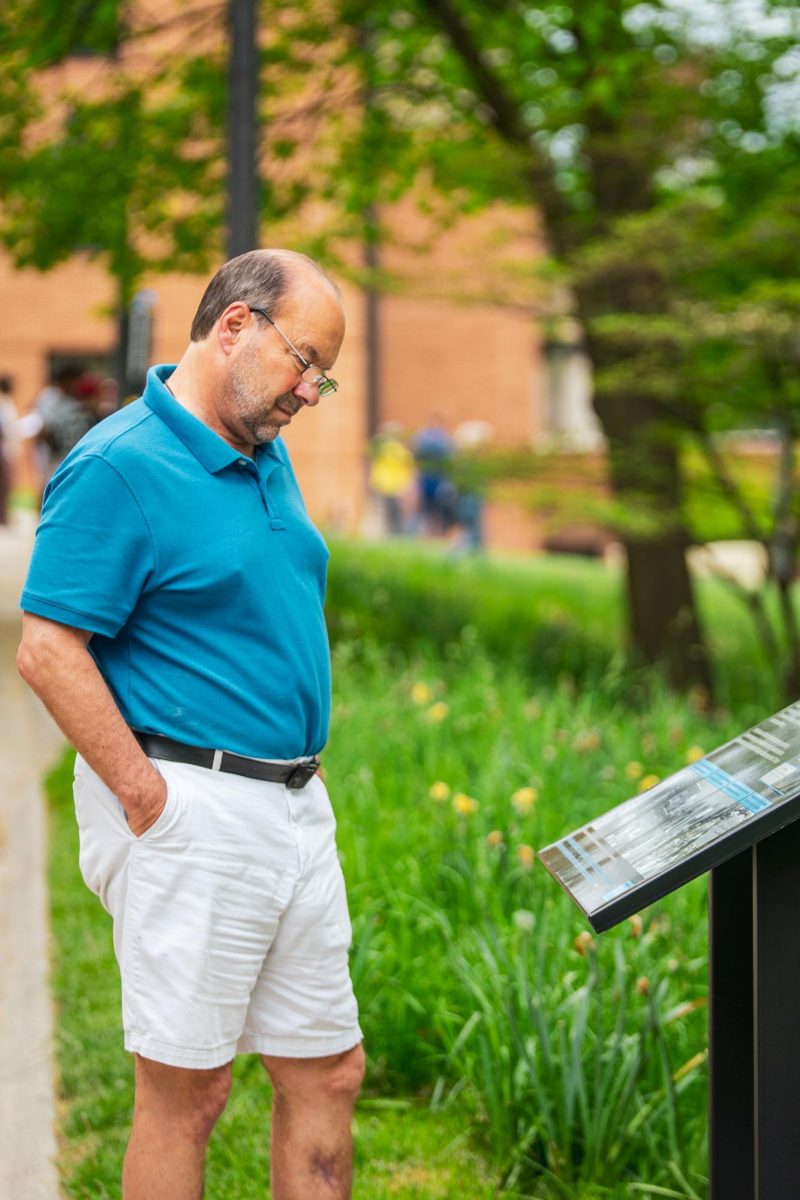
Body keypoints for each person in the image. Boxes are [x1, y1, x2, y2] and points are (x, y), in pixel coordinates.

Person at [17, 249, 364, 1200]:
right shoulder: (118, 464)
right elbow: (47, 650)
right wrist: (146, 796)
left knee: (328, 1071)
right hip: (190, 808)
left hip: (291, 805)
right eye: (305, 361)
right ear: (236, 325)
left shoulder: (264, 450)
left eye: (324, 375)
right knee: (187, 1094)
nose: (311, 390)